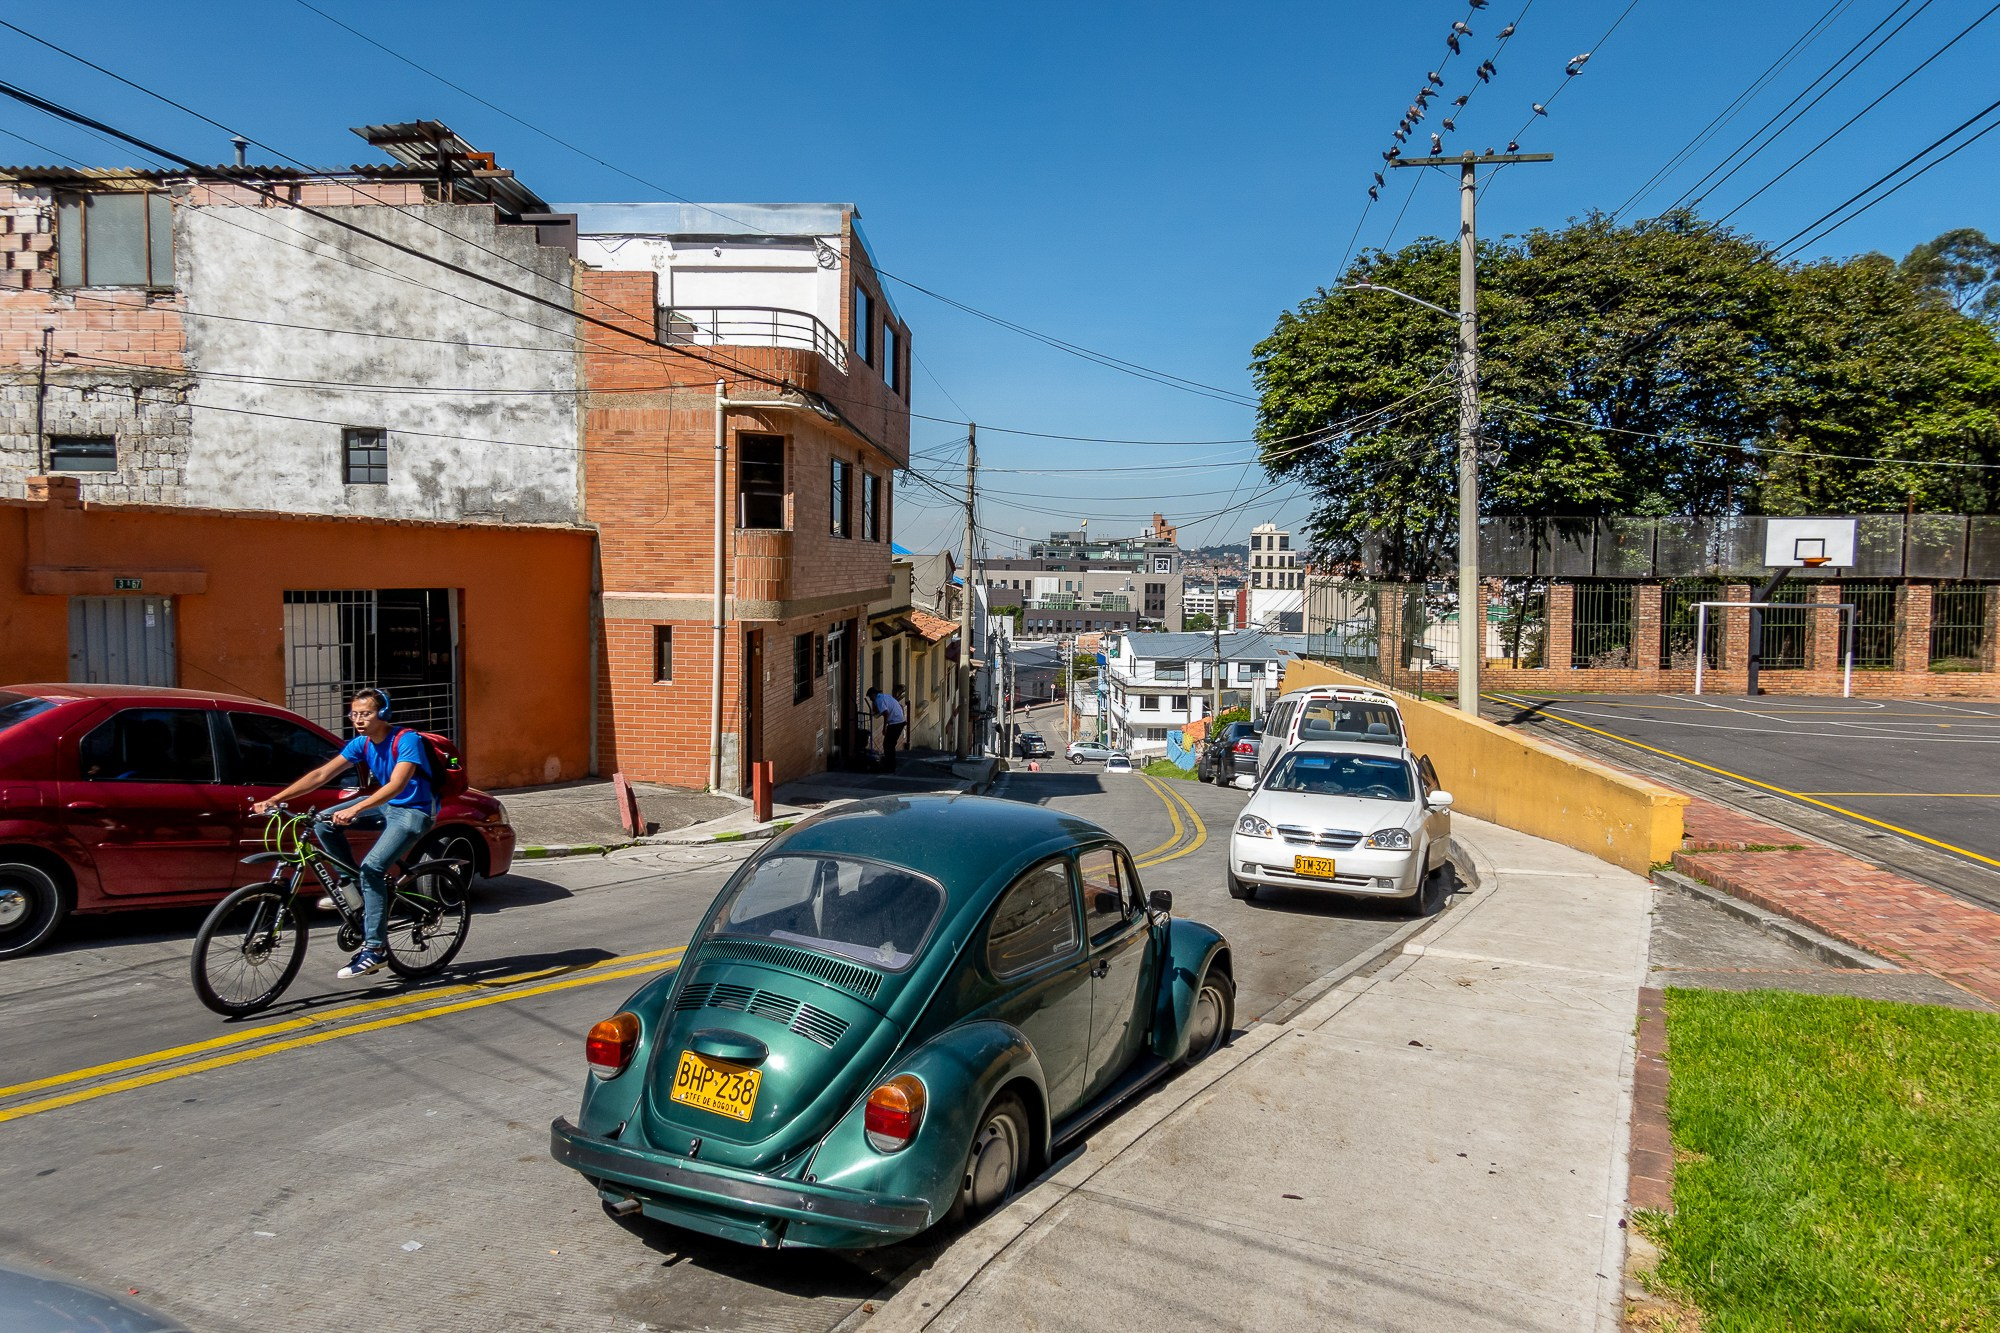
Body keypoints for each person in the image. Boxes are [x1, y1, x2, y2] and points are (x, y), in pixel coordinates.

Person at [252, 688, 437, 980]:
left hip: (414, 810)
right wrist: (276, 799)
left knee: (373, 869)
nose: (359, 719)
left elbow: (398, 785)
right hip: (385, 804)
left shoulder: (407, 740)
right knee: (323, 822)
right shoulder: (361, 744)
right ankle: (352, 890)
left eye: (366, 713)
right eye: (354, 714)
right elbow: (320, 775)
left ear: (383, 714)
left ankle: (375, 950)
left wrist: (357, 809)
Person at [869, 686, 906, 773]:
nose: (871, 700)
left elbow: (886, 713)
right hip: (899, 721)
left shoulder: (878, 700)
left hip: (895, 723)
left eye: (871, 697)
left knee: (888, 745)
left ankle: (890, 766)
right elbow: (900, 705)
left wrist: (884, 728)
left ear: (874, 695)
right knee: (890, 745)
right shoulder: (885, 696)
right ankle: (891, 765)